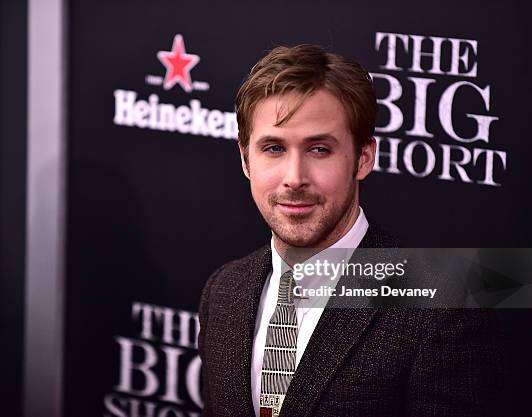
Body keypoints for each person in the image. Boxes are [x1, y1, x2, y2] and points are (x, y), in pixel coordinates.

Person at [197, 45, 505, 417]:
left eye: (320, 149)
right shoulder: (224, 291)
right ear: (246, 159)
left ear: (363, 158)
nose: (294, 178)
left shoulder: (442, 307)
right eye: (274, 148)